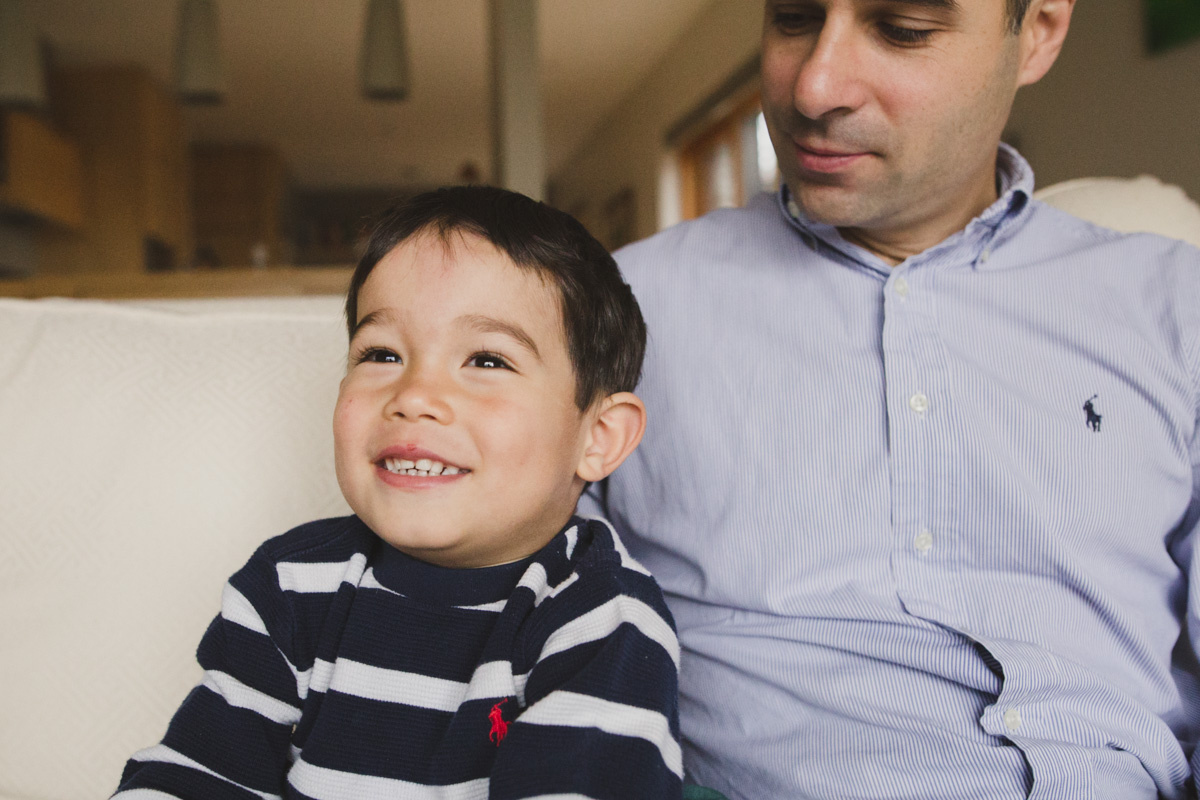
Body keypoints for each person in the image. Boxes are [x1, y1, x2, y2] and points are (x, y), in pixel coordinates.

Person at [581, 0, 1200, 797]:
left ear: (1038, 33)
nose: (814, 87)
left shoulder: (1176, 307)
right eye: (795, 16)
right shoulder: (619, 311)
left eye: (903, 29)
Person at [114, 186, 683, 800]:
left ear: (598, 437)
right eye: (381, 353)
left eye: (487, 361)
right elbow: (193, 777)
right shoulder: (288, 587)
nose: (413, 395)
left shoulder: (599, 618)